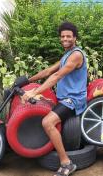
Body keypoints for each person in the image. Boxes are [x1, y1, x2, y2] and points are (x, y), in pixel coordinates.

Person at [22, 22, 87, 176]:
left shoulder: (76, 55)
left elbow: (57, 76)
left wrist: (34, 92)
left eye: (68, 36)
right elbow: (49, 70)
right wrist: (28, 81)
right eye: (63, 36)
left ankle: (66, 163)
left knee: (47, 122)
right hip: (64, 98)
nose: (65, 38)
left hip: (73, 99)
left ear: (74, 38)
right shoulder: (66, 55)